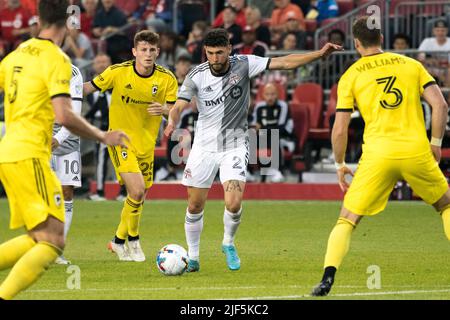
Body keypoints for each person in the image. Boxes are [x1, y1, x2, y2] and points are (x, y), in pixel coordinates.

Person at [165, 28, 341, 272]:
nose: (215, 59)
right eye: (210, 53)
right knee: (195, 205)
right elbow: (179, 105)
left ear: (229, 49)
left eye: (219, 53)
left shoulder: (245, 64)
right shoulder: (197, 75)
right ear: (205, 52)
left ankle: (228, 243)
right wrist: (173, 119)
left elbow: (285, 62)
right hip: (204, 146)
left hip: (235, 143)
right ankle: (193, 257)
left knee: (234, 202)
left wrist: (319, 54)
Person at [311, 16, 450, 297]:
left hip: (377, 155)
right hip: (415, 150)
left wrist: (339, 164)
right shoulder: (411, 64)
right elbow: (441, 104)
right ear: (382, 40)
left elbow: (340, 129)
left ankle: (327, 278)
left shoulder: (351, 74)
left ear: (356, 42)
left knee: (347, 219)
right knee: (446, 206)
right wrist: (435, 143)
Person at [0, 0, 127, 300]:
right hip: (30, 153)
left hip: (10, 152)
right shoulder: (56, 60)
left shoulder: (16, 55)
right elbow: (65, 115)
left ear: (39, 18)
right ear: (69, 23)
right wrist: (102, 136)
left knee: (40, 239)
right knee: (54, 241)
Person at [83, 30, 178, 262]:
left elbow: (175, 109)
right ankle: (134, 241)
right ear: (134, 51)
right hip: (120, 140)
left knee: (139, 196)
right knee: (135, 191)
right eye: (143, 50)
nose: (147, 54)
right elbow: (88, 88)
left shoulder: (167, 79)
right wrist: (61, 91)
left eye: (152, 50)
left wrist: (166, 111)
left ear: (158, 52)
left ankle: (117, 241)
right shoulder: (117, 72)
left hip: (146, 144)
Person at [50, 63, 84, 265]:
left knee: (66, 192)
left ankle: (55, 250)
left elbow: (74, 113)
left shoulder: (72, 72)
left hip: (67, 136)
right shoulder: (32, 67)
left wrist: (58, 138)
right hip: (39, 131)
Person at [251, 83, 296, 183]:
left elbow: (281, 127)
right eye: (267, 94)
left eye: (273, 94)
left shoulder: (283, 106)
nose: (270, 97)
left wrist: (262, 128)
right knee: (247, 137)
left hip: (284, 137)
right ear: (263, 95)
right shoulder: (259, 107)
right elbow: (255, 126)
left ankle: (277, 171)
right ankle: (248, 172)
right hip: (264, 136)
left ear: (277, 95)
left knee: (274, 135)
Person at [84, 53, 113, 201]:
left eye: (104, 61)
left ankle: (123, 191)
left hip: (116, 123)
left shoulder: (116, 83)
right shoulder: (87, 86)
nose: (102, 65)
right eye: (99, 62)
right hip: (95, 125)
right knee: (100, 158)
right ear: (93, 65)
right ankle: (100, 191)